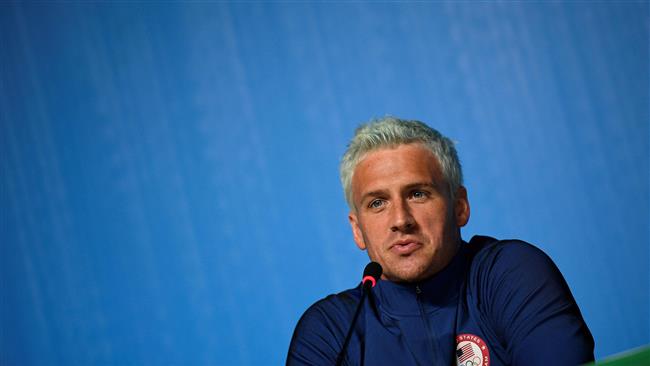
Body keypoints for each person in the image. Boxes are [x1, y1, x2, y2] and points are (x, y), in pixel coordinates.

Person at [287, 117, 595, 366]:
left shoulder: (509, 274)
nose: (400, 220)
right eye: (377, 203)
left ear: (459, 206)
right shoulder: (331, 331)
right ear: (357, 230)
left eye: (417, 194)